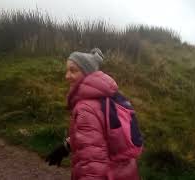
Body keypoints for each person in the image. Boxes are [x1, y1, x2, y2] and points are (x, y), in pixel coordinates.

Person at [46, 48, 140, 180]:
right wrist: (67, 146)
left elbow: (92, 167)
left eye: (73, 70)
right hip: (125, 172)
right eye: (67, 70)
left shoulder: (86, 108)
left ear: (87, 74)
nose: (67, 76)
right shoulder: (108, 96)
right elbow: (98, 138)